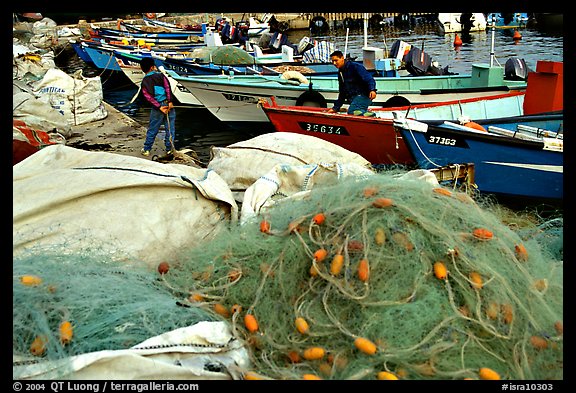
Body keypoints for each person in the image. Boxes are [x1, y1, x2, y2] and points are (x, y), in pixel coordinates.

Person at [139, 57, 176, 156]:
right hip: (168, 105)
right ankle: (169, 149)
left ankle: (147, 149)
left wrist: (159, 107)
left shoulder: (144, 81)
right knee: (170, 129)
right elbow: (168, 88)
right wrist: (170, 102)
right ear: (152, 67)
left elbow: (148, 97)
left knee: (153, 129)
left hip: (158, 108)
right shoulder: (161, 76)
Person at [328, 50, 377, 116]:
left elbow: (369, 79)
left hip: (363, 96)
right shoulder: (341, 73)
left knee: (352, 111)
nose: (334, 63)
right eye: (332, 61)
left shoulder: (355, 67)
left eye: (336, 60)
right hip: (354, 99)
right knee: (356, 111)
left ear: (342, 58)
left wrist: (372, 90)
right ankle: (365, 114)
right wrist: (336, 108)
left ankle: (372, 116)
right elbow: (342, 92)